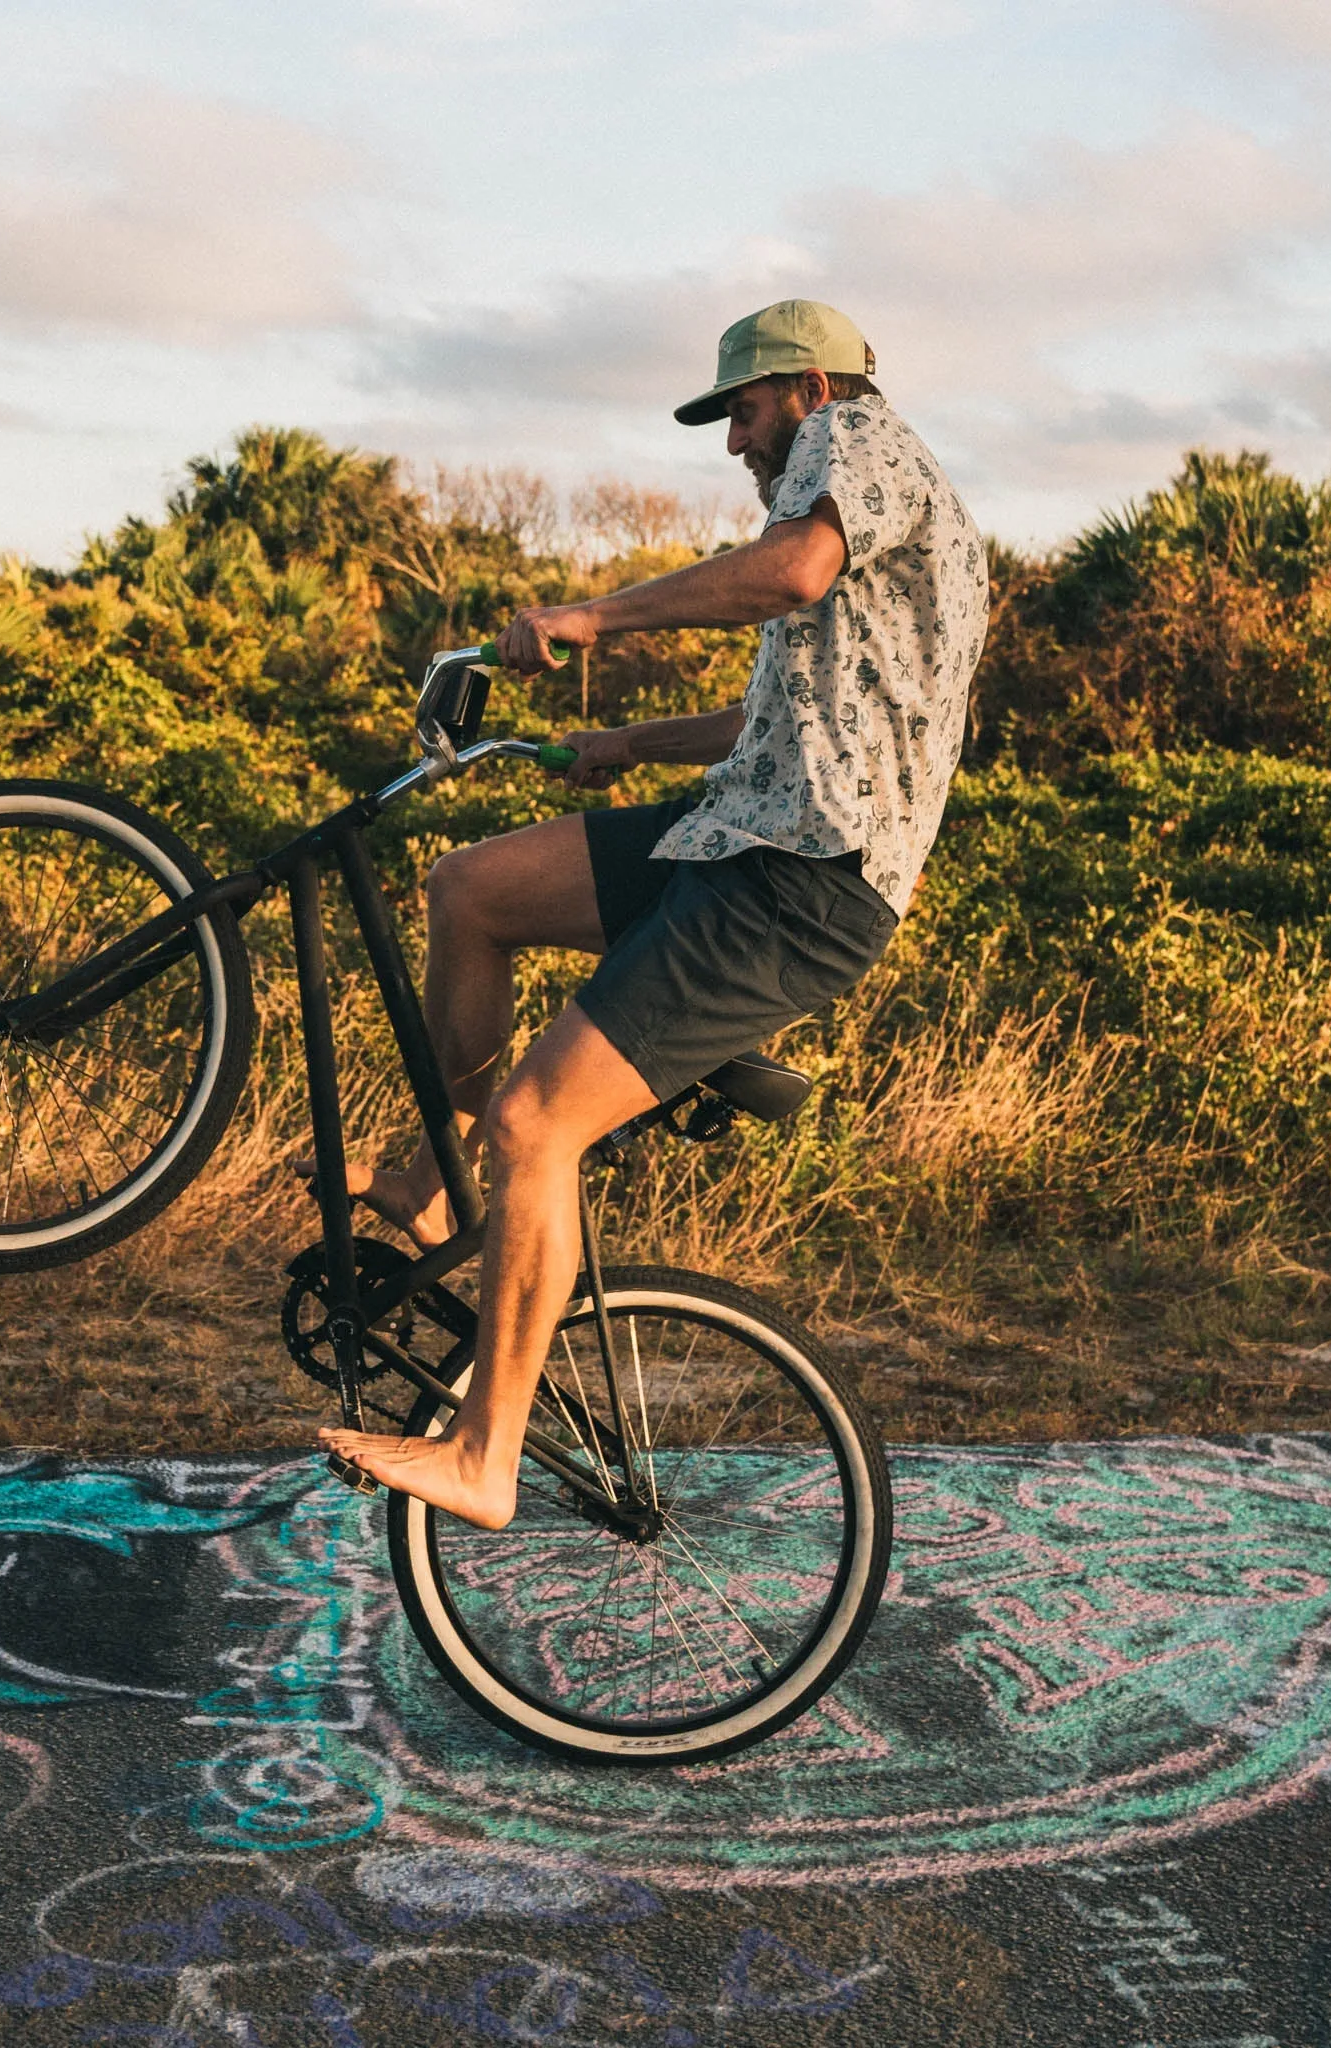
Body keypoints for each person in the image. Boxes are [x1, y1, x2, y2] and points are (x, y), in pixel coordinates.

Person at [314, 299, 989, 1529]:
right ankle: (423, 1181)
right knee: (469, 888)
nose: (732, 441)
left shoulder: (858, 447)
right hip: (733, 831)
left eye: (739, 409)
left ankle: (483, 1456)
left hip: (797, 881)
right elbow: (765, 727)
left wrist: (593, 615)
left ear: (808, 389)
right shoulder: (871, 519)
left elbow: (787, 573)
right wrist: (626, 741)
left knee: (535, 1127)